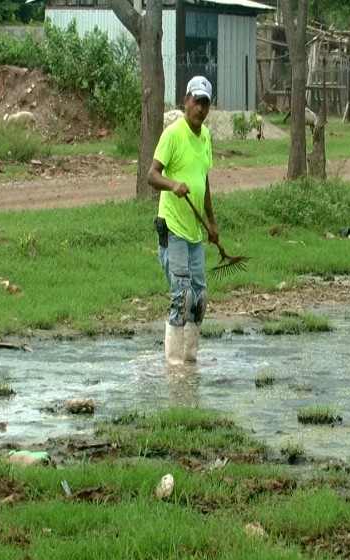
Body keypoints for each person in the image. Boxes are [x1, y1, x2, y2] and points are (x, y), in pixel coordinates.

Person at [147, 75, 219, 366]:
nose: (200, 109)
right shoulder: (172, 134)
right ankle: (174, 366)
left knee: (199, 298)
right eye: (196, 101)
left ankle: (190, 361)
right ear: (185, 101)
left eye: (205, 104)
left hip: (194, 232)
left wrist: (212, 222)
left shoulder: (206, 138)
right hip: (173, 227)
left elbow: (204, 181)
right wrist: (173, 185)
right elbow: (151, 175)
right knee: (182, 296)